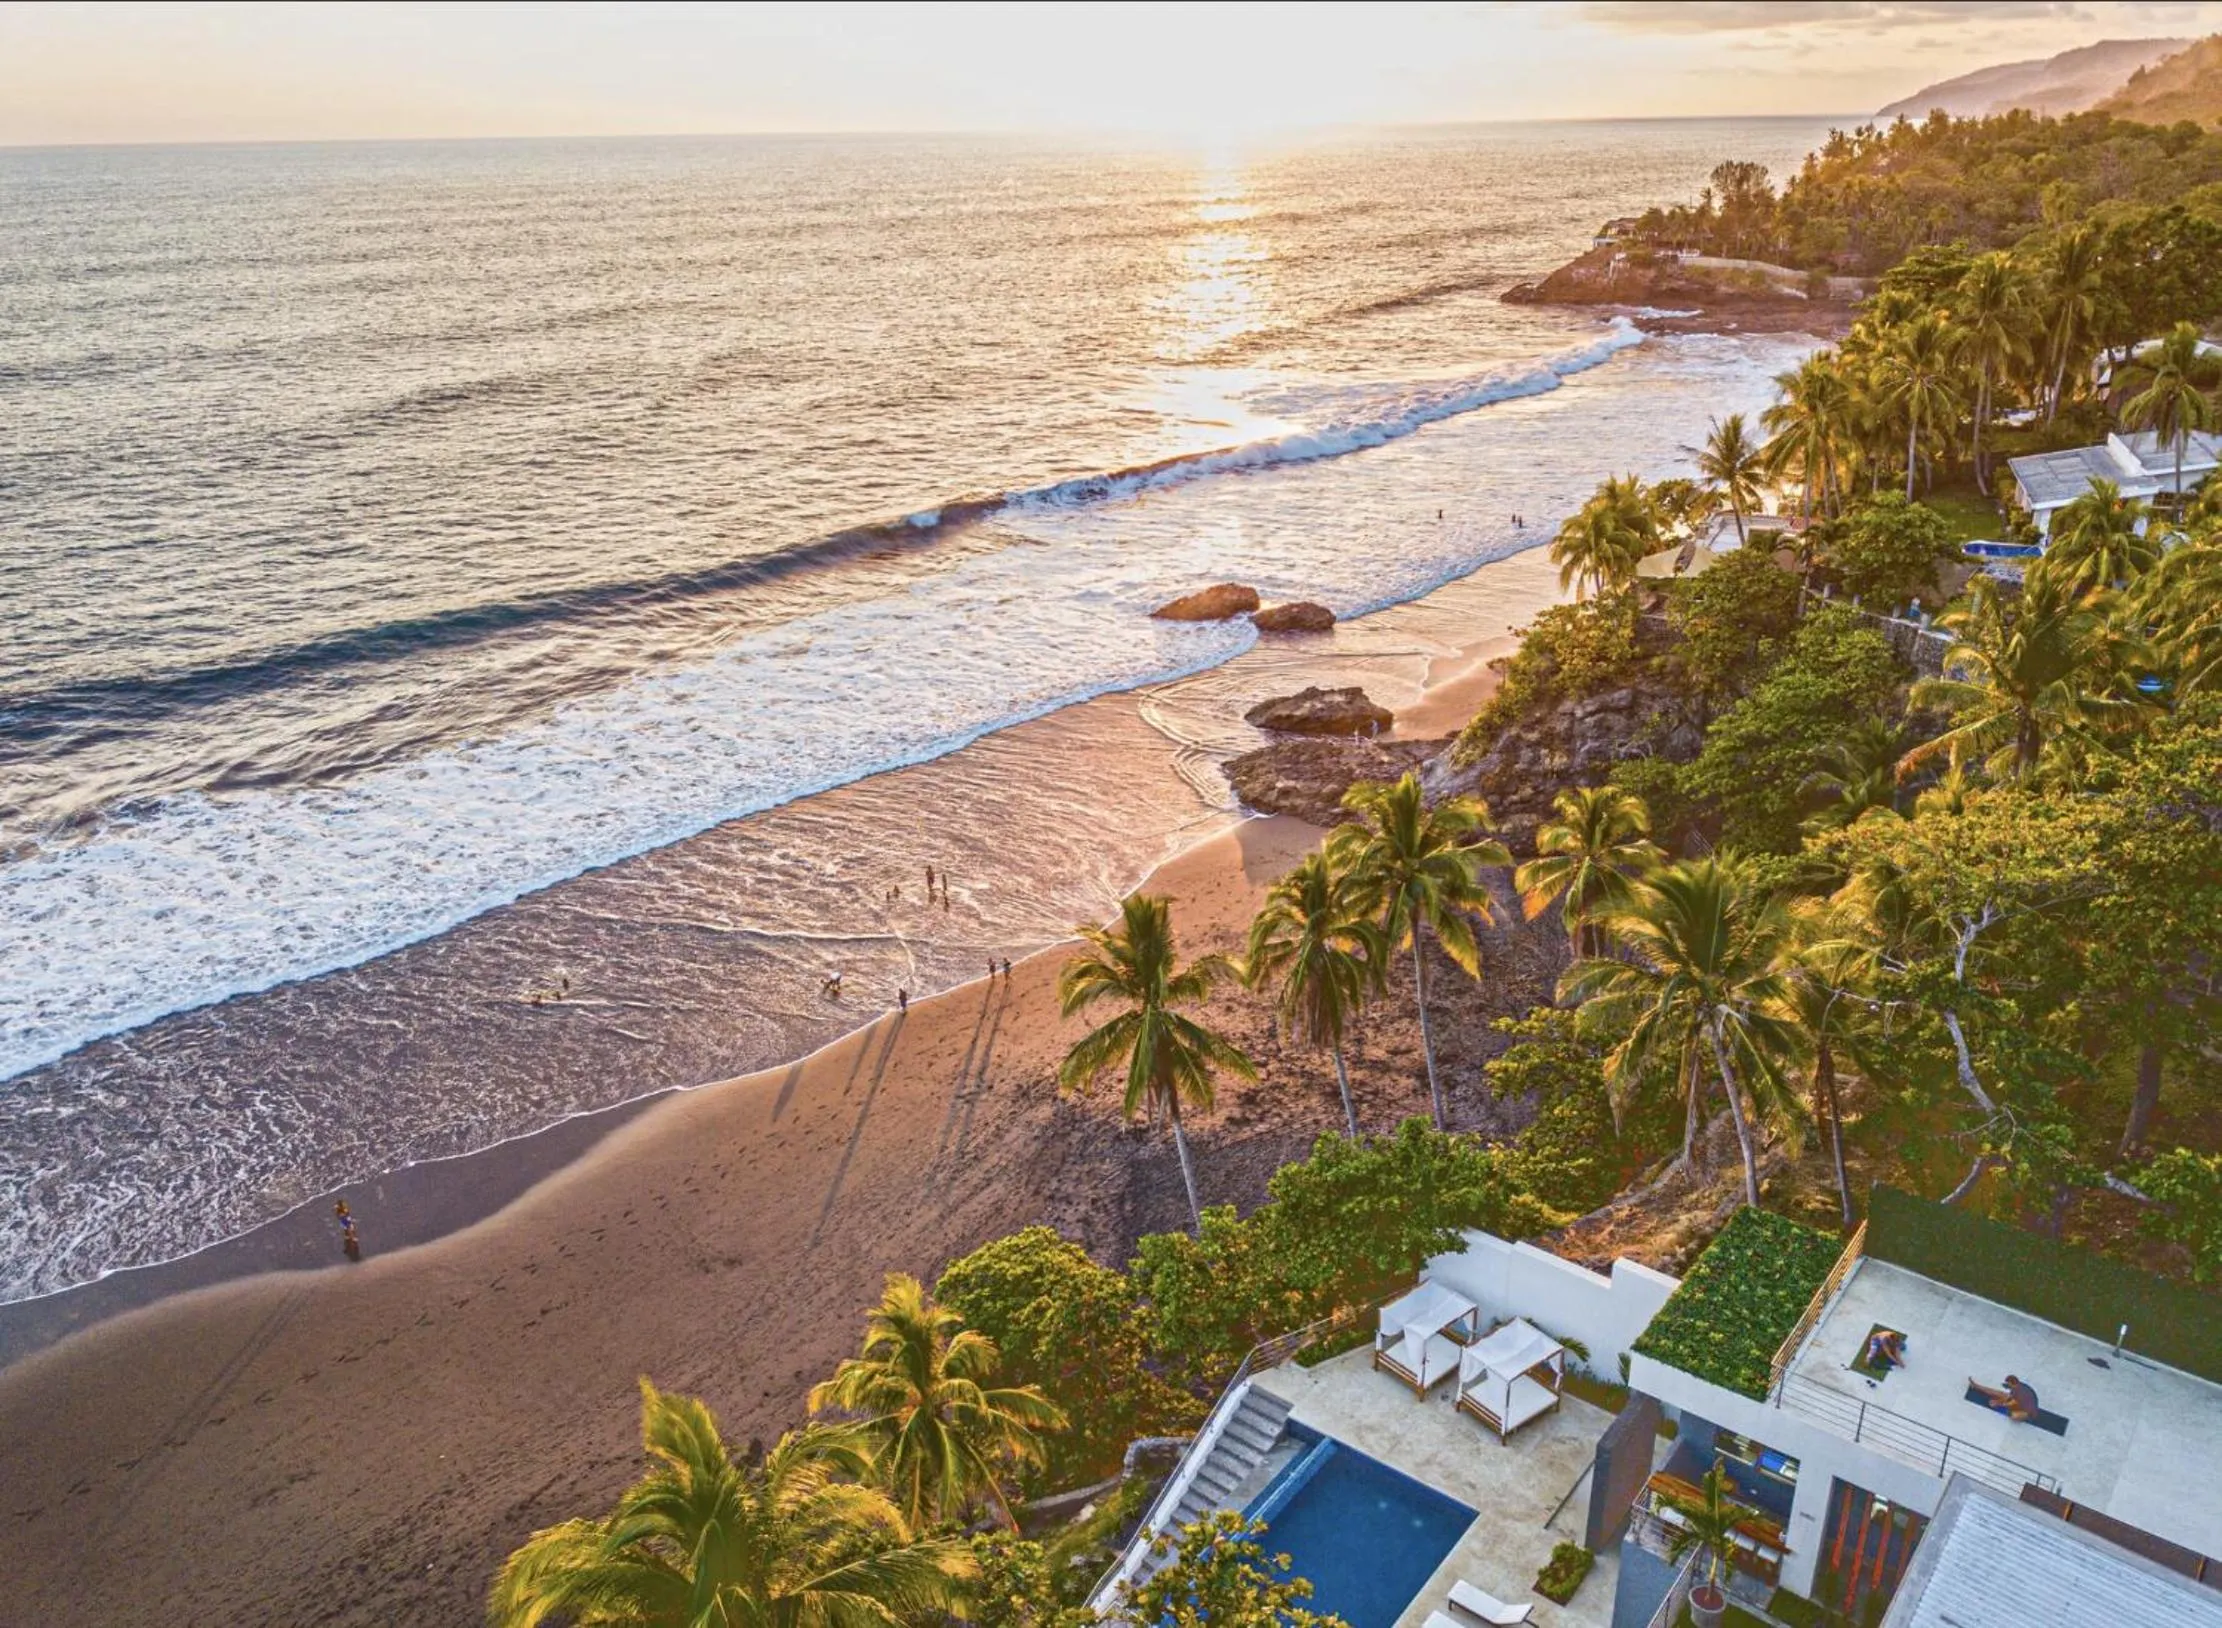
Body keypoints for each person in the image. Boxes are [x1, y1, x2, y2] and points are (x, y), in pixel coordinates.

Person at [1971, 1374, 2039, 1420]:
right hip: (2023, 1403)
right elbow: (2008, 1398)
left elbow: (2010, 1402)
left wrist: (1997, 1403)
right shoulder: (2018, 1388)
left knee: (2014, 1415)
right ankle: (1977, 1386)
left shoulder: (2019, 1392)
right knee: (2000, 1394)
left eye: (2008, 1384)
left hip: (2028, 1413)